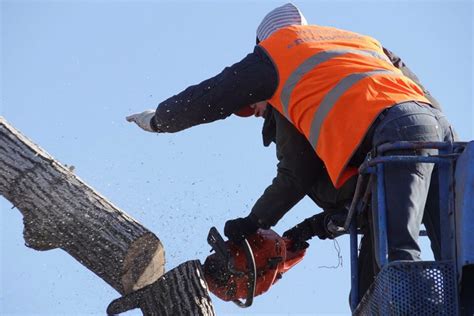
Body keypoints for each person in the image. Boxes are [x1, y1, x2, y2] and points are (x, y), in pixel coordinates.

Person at [127, 3, 453, 295]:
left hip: (394, 138)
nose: (251, 112)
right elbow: (425, 102)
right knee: (447, 260)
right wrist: (308, 229)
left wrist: (159, 119)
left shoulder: (275, 56)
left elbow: (212, 98)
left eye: (247, 106)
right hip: (439, 138)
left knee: (398, 256)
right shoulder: (356, 43)